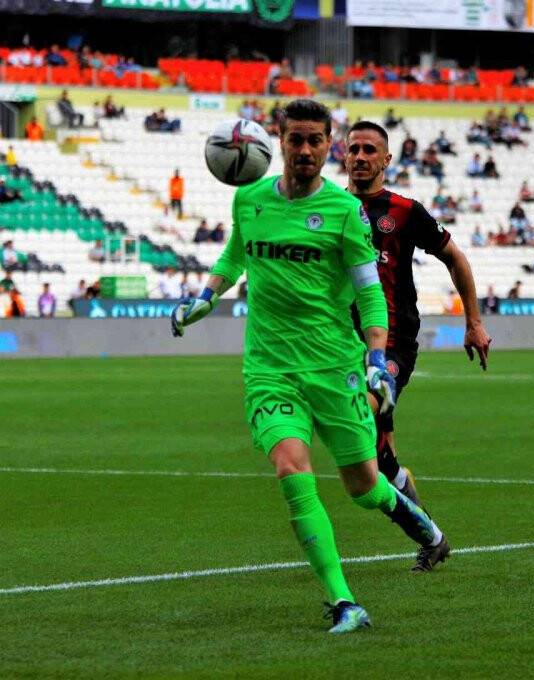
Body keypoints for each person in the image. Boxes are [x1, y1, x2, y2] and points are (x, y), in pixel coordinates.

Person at [170, 99, 446, 635]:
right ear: (279, 142)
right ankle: (344, 601)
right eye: (295, 139)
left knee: (364, 487)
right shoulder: (249, 199)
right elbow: (234, 257)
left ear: (327, 145)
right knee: (291, 468)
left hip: (333, 367)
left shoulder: (344, 211)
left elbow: (370, 294)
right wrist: (204, 296)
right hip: (270, 369)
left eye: (315, 140)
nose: (304, 149)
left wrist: (376, 359)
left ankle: (422, 527)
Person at [345, 118, 491, 556]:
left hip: (392, 344)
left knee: (362, 411)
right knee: (371, 463)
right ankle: (427, 529)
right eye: (353, 149)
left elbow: (455, 258)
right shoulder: (331, 209)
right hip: (341, 345)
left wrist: (473, 322)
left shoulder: (405, 212)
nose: (360, 157)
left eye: (369, 150)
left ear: (387, 159)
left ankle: (420, 520)